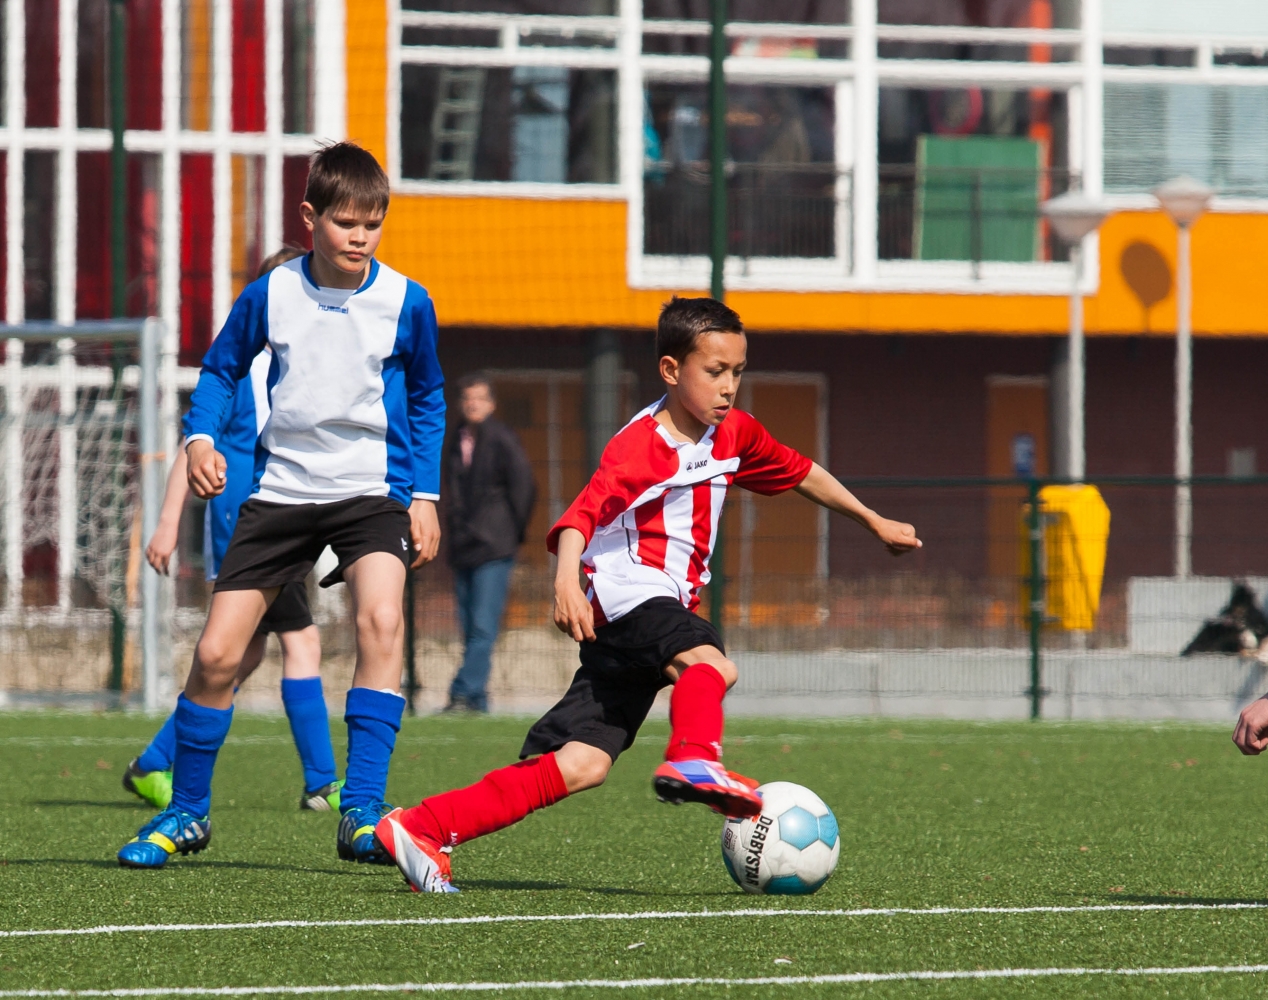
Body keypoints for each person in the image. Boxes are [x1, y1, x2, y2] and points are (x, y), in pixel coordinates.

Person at [371, 296, 921, 893]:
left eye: (737, 372)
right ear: (669, 370)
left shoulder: (732, 432)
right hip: (631, 595)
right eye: (714, 372)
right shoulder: (639, 447)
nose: (728, 386)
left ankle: (423, 827)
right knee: (710, 664)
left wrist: (873, 520)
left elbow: (800, 469)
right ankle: (693, 757)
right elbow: (580, 517)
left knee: (581, 763)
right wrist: (564, 584)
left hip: (639, 617)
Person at [117, 141, 446, 869]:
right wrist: (201, 437)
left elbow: (426, 397)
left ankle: (360, 810)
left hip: (371, 491)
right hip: (281, 493)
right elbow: (221, 369)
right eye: (345, 222)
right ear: (311, 217)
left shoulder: (406, 300)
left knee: (381, 619)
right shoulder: (271, 293)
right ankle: (186, 812)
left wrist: (423, 494)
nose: (360, 237)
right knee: (216, 654)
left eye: (373, 223)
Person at [122, 247, 343, 814]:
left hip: (280, 518)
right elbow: (195, 444)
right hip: (254, 523)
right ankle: (321, 781)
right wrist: (169, 523)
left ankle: (152, 762)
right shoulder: (247, 366)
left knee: (240, 658)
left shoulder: (305, 363)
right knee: (301, 642)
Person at [442, 373, 536, 713]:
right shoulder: (458, 438)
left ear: (491, 403)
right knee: (469, 627)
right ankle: (477, 699)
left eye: (479, 398)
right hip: (463, 545)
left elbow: (525, 486)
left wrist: (511, 531)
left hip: (494, 545)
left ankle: (461, 690)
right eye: (468, 398)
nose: (473, 404)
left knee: (483, 625)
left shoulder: (501, 438)